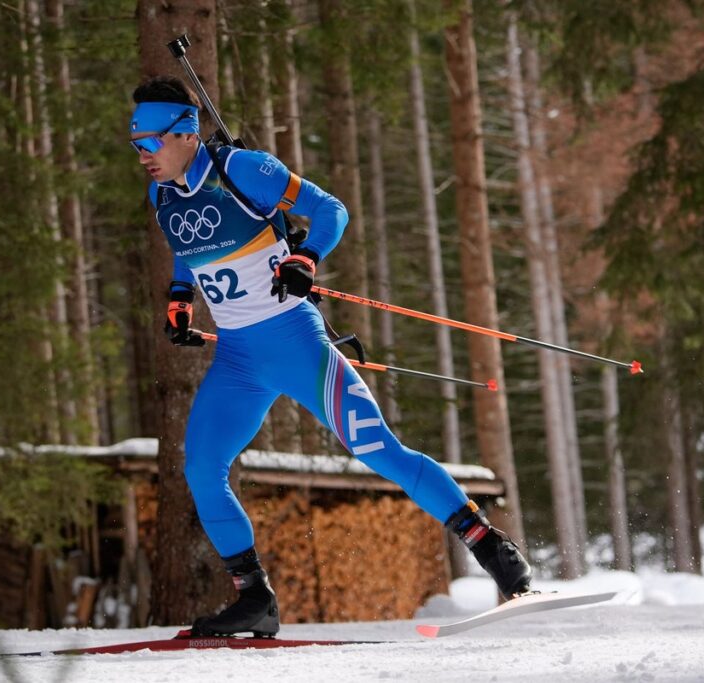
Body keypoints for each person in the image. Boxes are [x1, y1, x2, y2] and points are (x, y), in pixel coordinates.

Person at [131, 76, 531, 637]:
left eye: (149, 142)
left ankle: (488, 543)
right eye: (135, 145)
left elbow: (331, 211)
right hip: (239, 361)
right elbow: (184, 251)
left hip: (295, 342)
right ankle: (254, 598)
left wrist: (307, 259)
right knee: (200, 467)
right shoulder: (162, 195)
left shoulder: (245, 170)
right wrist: (178, 298)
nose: (143, 155)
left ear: (186, 134)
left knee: (377, 449)